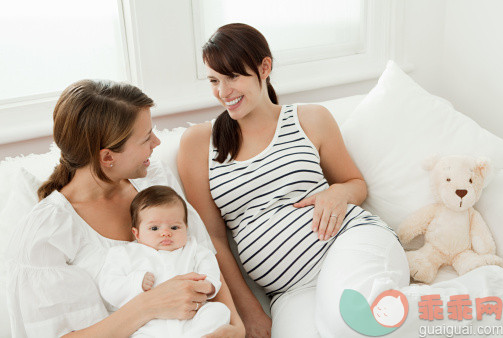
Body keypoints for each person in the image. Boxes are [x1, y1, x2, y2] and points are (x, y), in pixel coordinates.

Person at [177, 23, 408, 337]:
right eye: (214, 80)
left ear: (265, 67)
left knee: (350, 321)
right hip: (289, 291)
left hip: (348, 241)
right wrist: (248, 312)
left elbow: (355, 182)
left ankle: (482, 294)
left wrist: (338, 193)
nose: (223, 92)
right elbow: (212, 239)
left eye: (233, 76)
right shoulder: (198, 144)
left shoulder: (310, 119)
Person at [6, 80, 244, 337]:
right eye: (145, 138)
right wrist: (149, 305)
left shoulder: (153, 181)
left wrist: (236, 330)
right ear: (107, 157)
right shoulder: (48, 233)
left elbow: (201, 257)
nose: (157, 142)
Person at [99, 185, 230, 337]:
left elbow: (210, 268)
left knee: (220, 311)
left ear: (186, 228)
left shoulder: (194, 249)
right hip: (150, 326)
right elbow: (109, 287)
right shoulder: (124, 254)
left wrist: (208, 285)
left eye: (174, 227)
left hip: (192, 318)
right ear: (137, 233)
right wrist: (136, 282)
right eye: (154, 228)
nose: (166, 233)